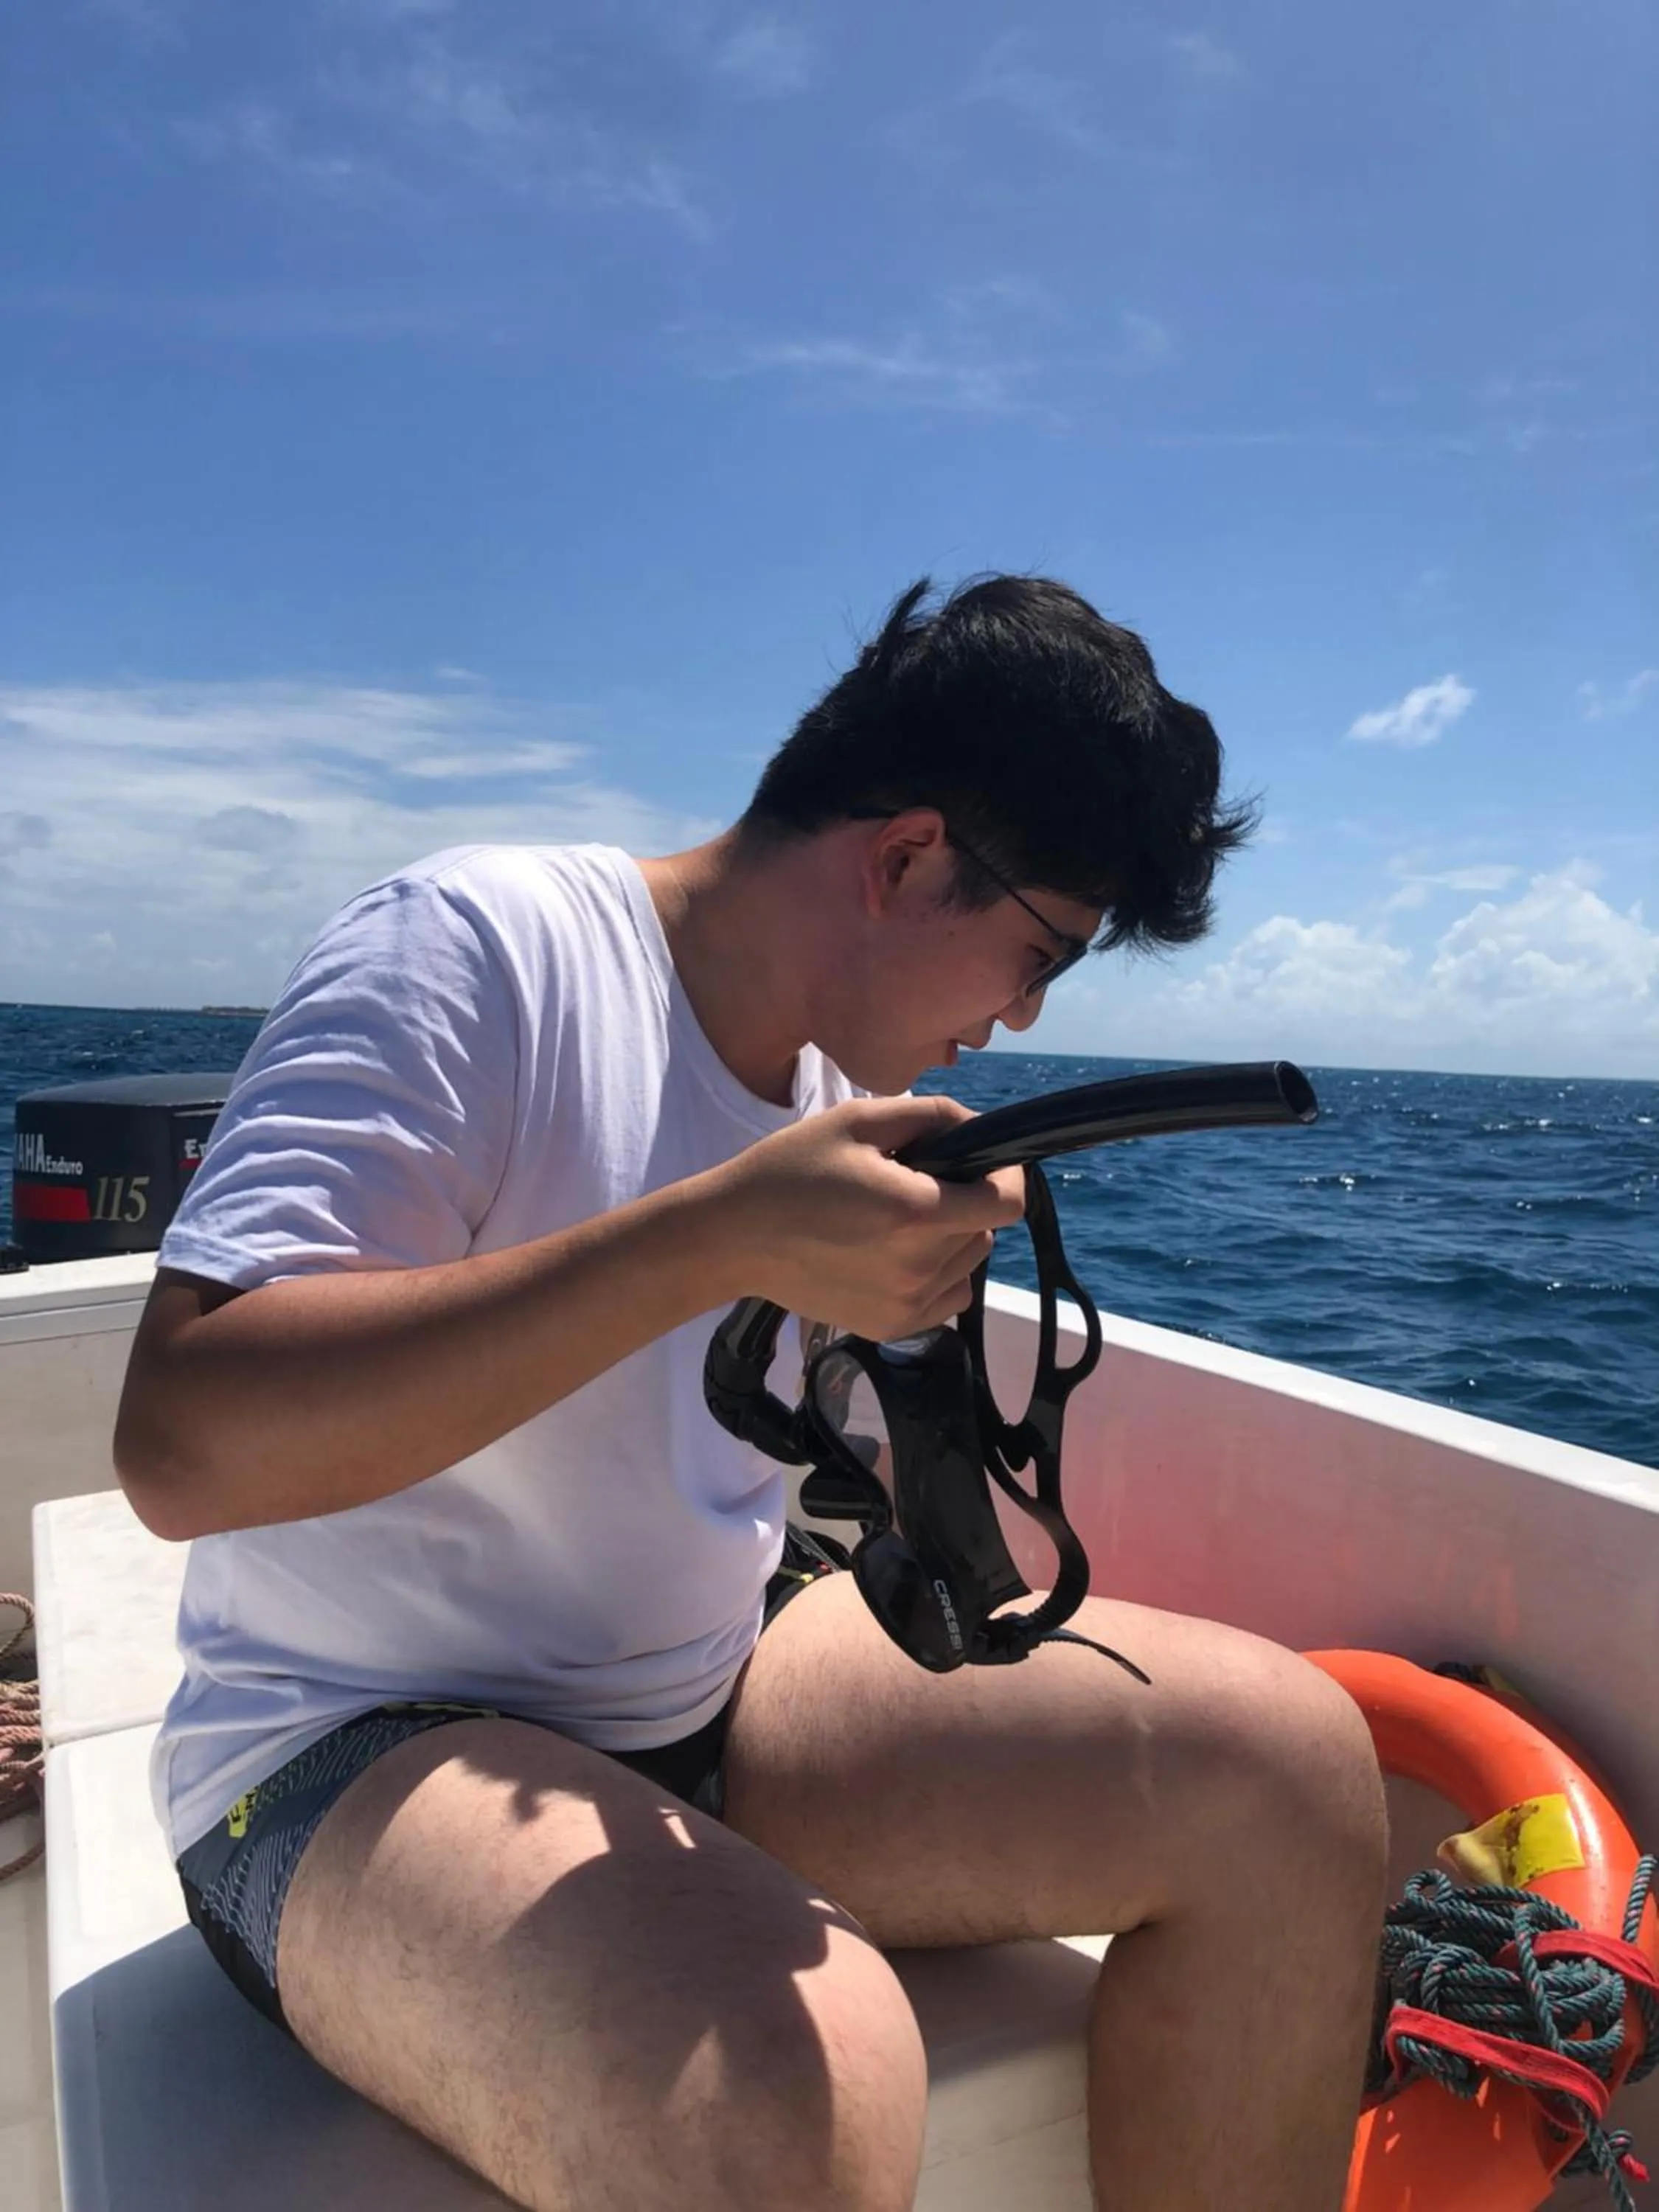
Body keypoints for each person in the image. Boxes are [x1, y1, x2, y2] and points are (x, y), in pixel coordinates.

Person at [115, 574, 1388, 2212]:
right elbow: (182, 1446)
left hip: (721, 1690)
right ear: (907, 859)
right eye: (1039, 954)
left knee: (1288, 1772)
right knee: (794, 2086)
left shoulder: (835, 1097)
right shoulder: (476, 946)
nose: (1019, 1015)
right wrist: (711, 1239)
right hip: (337, 1750)